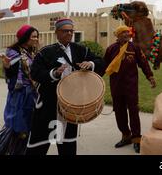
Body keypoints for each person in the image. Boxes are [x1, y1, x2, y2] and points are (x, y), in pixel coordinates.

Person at [25, 18, 105, 155]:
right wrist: (54, 73)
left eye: (71, 31)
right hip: (48, 104)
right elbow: (35, 73)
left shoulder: (80, 50)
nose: (69, 33)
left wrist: (90, 64)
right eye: (65, 31)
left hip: (70, 106)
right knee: (40, 143)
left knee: (67, 144)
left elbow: (101, 62)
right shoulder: (45, 52)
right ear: (57, 32)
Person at [0, 25, 39, 155]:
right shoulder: (14, 52)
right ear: (25, 37)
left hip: (32, 95)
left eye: (37, 36)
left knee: (28, 128)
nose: (36, 39)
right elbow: (12, 76)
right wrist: (8, 67)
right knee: (16, 128)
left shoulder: (32, 52)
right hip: (19, 97)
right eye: (33, 36)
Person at [104, 25, 156, 153]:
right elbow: (103, 65)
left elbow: (143, 63)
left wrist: (150, 76)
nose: (127, 34)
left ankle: (137, 139)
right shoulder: (111, 49)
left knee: (133, 111)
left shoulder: (134, 48)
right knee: (119, 112)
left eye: (128, 32)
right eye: (124, 33)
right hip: (116, 86)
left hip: (131, 86)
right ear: (118, 35)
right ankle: (126, 135)